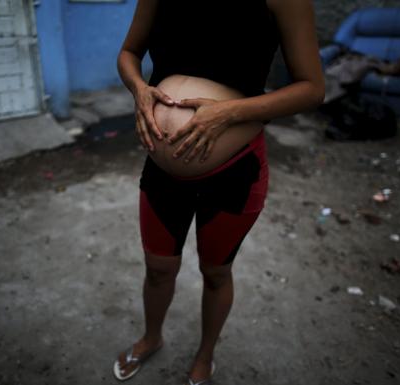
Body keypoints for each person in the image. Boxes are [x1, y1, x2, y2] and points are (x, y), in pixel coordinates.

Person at [114, 0, 324, 383]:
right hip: (163, 172)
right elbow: (129, 52)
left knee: (215, 272)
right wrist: (139, 89)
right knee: (158, 268)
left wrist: (229, 113)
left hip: (234, 171)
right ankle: (151, 338)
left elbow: (311, 89)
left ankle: (205, 356)